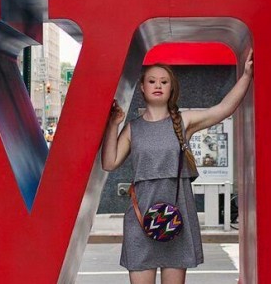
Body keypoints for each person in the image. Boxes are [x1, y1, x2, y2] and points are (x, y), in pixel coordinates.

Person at [102, 51, 254, 284]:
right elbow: (109, 163)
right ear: (142, 87)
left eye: (164, 82)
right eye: (151, 81)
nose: (158, 85)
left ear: (171, 89)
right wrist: (114, 124)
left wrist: (245, 75)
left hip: (176, 217)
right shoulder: (133, 128)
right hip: (141, 219)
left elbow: (223, 109)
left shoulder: (184, 121)